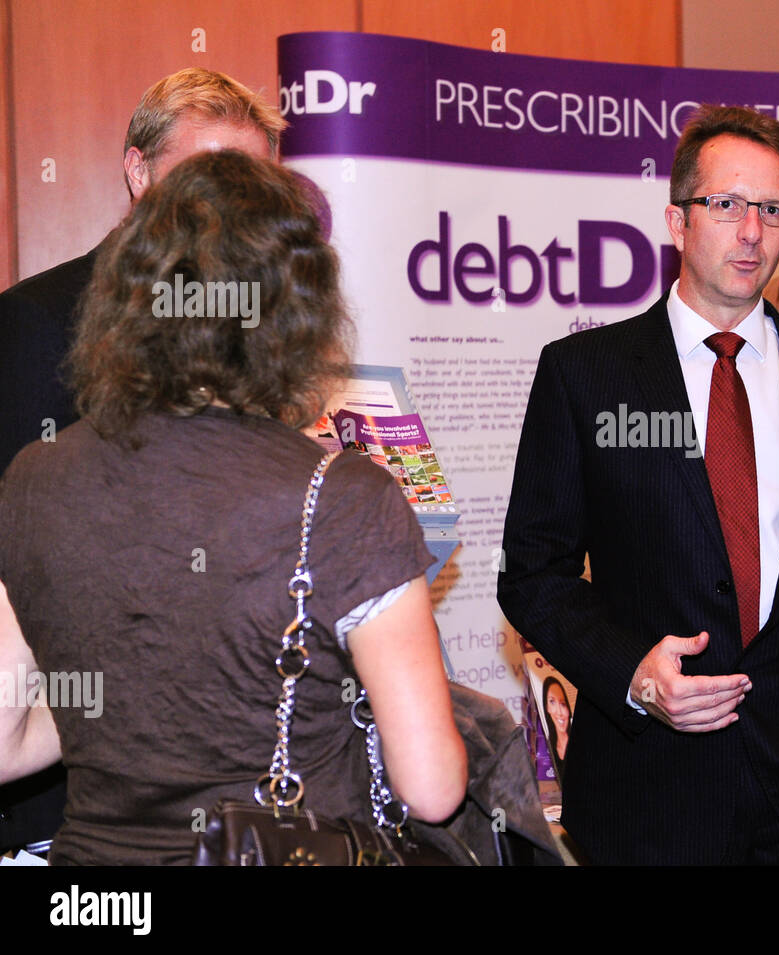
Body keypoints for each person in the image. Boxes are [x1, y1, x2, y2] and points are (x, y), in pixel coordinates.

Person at [0, 150, 467, 865]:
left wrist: (134, 700)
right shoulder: (341, 496)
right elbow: (432, 788)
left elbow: (6, 742)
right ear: (296, 312)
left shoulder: (35, 477)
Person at [498, 105, 779, 864]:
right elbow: (533, 574)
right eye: (726, 204)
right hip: (652, 794)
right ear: (676, 221)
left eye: (773, 208)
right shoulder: (584, 376)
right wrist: (631, 671)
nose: (752, 231)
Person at [0, 67, 284, 852]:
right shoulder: (38, 321)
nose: (230, 204)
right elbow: (27, 559)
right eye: (206, 175)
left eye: (251, 181)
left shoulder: (262, 337)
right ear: (137, 172)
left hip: (231, 768)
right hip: (81, 783)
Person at [541, 676, 572, 779]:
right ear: (547, 707)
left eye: (563, 704)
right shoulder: (548, 747)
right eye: (552, 702)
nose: (559, 712)